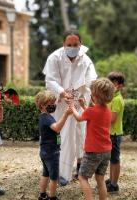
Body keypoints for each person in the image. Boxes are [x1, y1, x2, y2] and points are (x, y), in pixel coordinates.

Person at [42, 29, 97, 184]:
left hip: (79, 102)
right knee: (63, 136)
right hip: (60, 104)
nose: (72, 47)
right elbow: (50, 80)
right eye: (69, 44)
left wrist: (84, 95)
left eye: (75, 44)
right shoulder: (54, 58)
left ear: (80, 44)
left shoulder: (85, 59)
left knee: (81, 134)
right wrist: (62, 92)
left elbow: (91, 79)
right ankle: (60, 172)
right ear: (64, 44)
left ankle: (80, 166)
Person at [69, 78, 115, 200]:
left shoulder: (91, 111)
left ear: (94, 95)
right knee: (100, 178)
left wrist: (72, 107)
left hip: (93, 151)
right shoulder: (108, 111)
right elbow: (94, 115)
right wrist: (84, 106)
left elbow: (79, 118)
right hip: (106, 151)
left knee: (82, 177)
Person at [35, 90, 72, 200]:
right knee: (54, 177)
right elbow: (57, 128)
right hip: (51, 152)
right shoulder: (47, 117)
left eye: (53, 103)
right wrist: (66, 114)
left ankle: (42, 195)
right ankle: (52, 197)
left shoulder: (43, 116)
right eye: (50, 104)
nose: (53, 106)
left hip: (45, 151)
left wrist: (62, 99)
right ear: (42, 105)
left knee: (45, 174)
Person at [105, 72, 125, 193]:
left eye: (114, 83)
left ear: (120, 86)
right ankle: (111, 179)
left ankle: (114, 185)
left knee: (115, 160)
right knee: (111, 159)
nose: (111, 85)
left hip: (115, 134)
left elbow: (112, 119)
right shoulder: (111, 97)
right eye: (109, 82)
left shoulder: (117, 99)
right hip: (110, 133)